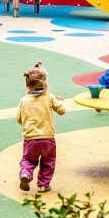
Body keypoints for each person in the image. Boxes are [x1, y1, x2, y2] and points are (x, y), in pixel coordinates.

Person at [17, 61, 65, 193]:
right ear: (44, 82)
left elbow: (19, 119)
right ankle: (43, 185)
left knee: (28, 159)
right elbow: (61, 110)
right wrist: (59, 101)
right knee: (48, 162)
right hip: (47, 138)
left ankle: (25, 174)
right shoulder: (49, 97)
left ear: (27, 85)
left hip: (30, 138)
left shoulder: (24, 100)